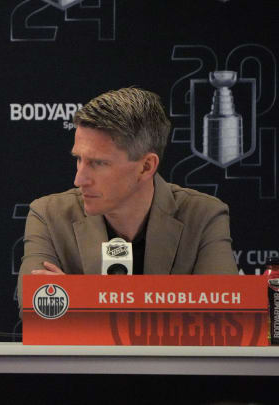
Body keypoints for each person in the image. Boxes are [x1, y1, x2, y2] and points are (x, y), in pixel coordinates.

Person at [18, 88, 238, 303]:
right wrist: (179, 299)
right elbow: (37, 309)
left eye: (98, 163)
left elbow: (221, 314)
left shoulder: (204, 216)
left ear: (145, 166)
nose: (79, 179)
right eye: (79, 159)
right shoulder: (48, 214)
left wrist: (75, 296)